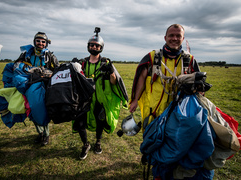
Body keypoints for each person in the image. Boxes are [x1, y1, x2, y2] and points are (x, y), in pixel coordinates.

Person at [129, 24, 214, 179]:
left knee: (175, 141)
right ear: (165, 38)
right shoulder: (152, 57)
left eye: (178, 36)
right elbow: (140, 78)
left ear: (183, 38)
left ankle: (167, 169)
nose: (174, 39)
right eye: (171, 35)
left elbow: (198, 85)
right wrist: (135, 100)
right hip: (155, 109)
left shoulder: (189, 59)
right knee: (153, 138)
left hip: (179, 112)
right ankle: (152, 161)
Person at [73, 27, 128, 160]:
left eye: (97, 45)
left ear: (101, 48)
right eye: (92, 45)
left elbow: (114, 83)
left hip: (100, 99)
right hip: (84, 98)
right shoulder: (82, 63)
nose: (94, 47)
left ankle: (98, 142)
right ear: (88, 46)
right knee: (80, 121)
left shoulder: (106, 63)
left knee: (100, 121)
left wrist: (111, 73)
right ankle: (85, 144)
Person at [15, 32, 59, 146]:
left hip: (44, 87)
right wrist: (27, 68)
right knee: (31, 110)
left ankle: (46, 135)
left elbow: (57, 71)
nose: (40, 43)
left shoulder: (50, 56)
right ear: (34, 41)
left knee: (42, 110)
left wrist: (46, 72)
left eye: (43, 41)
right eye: (38, 41)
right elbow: (16, 65)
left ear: (46, 43)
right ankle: (40, 133)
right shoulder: (27, 54)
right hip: (29, 85)